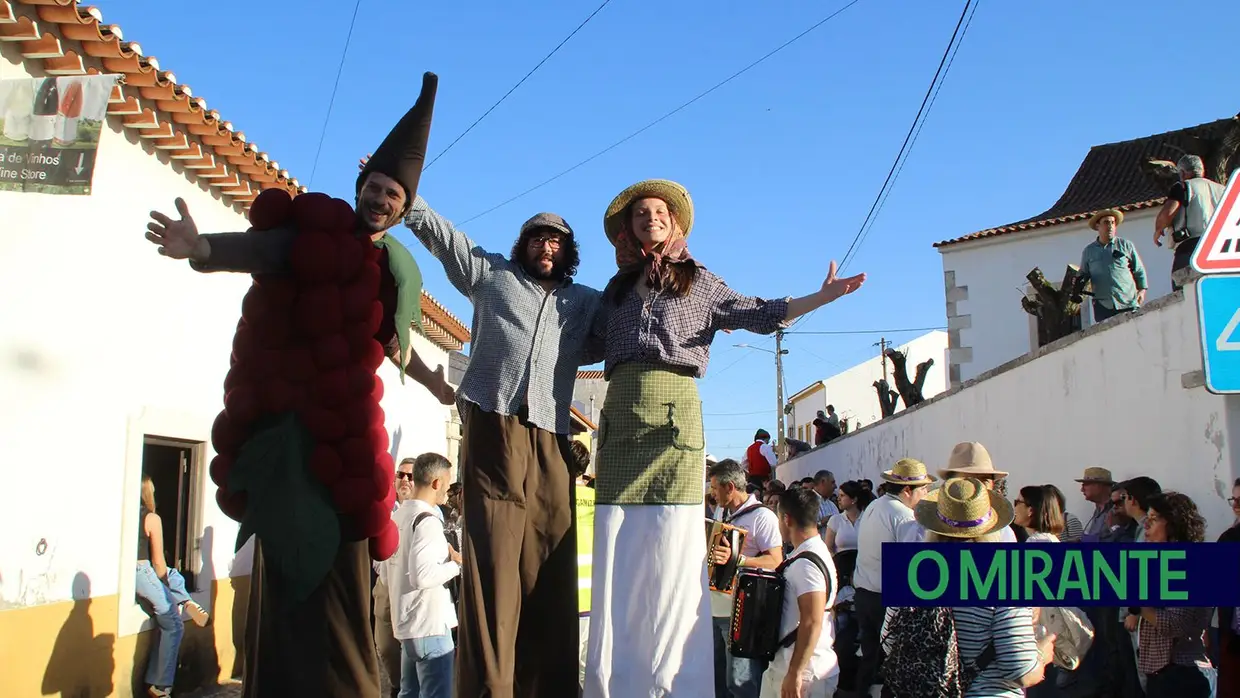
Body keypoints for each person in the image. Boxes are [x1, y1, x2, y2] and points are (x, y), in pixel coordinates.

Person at [145, 73, 455, 698]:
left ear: (403, 209)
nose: (381, 199)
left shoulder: (391, 269)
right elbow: (266, 250)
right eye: (375, 187)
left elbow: (392, 342)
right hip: (296, 436)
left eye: (393, 194)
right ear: (360, 188)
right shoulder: (317, 235)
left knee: (344, 575)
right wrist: (202, 246)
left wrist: (434, 383)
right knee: (291, 570)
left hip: (349, 438)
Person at [583, 178, 865, 697]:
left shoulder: (700, 281)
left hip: (675, 419)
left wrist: (821, 297)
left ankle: (675, 686)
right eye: (641, 213)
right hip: (620, 417)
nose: (651, 218)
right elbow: (582, 344)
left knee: (673, 549)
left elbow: (758, 312)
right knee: (618, 548)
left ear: (674, 222)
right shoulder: (615, 290)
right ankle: (616, 682)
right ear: (628, 227)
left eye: (660, 212)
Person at [395, 164, 602, 698]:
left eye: (555, 241)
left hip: (551, 433)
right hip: (493, 424)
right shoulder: (493, 275)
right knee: (492, 565)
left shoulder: (584, 303)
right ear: (523, 244)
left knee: (549, 561)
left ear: (568, 251)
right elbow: (447, 241)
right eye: (537, 238)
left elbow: (624, 329)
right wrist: (408, 198)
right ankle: (491, 687)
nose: (546, 247)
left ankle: (549, 688)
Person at [386, 453, 460, 698]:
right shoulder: (428, 521)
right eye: (447, 484)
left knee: (408, 692)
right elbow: (422, 577)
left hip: (408, 626)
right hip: (430, 625)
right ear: (437, 482)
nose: (448, 491)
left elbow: (384, 573)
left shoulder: (397, 518)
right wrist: (456, 565)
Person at [760, 487, 839, 698]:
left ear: (786, 519)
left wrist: (795, 672)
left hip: (804, 673)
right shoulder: (810, 553)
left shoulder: (806, 563)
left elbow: (812, 621)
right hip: (792, 666)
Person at [136, 476, 209, 698]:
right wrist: (166, 588)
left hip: (133, 570)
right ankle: (160, 686)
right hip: (142, 570)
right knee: (175, 625)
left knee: (174, 573)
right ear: (149, 493)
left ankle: (186, 600)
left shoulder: (126, 514)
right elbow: (158, 562)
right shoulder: (151, 518)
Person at [1076, 208, 1147, 322]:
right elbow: (1083, 274)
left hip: (1127, 301)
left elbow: (1139, 270)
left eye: (1113, 223)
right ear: (1098, 226)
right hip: (1103, 305)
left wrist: (1142, 290)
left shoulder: (1126, 245)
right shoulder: (1089, 251)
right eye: (1106, 222)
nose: (1110, 226)